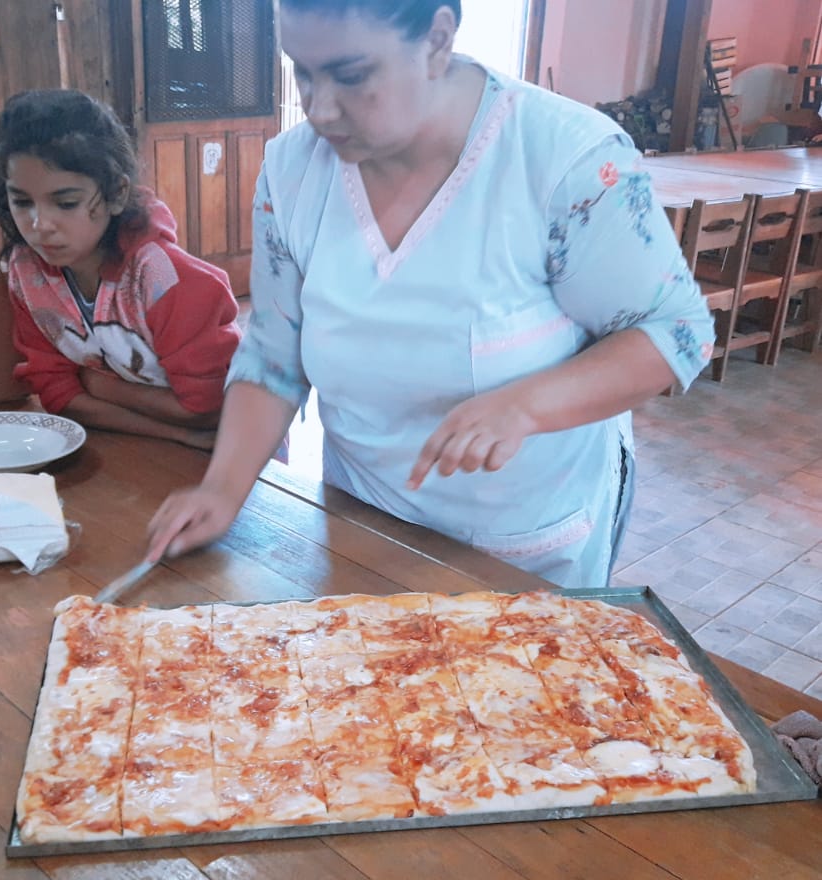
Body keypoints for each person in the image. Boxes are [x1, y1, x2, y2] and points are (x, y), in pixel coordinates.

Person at [147, 0, 715, 588]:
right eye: (302, 71)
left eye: (351, 74)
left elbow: (676, 333)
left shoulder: (563, 157)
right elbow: (273, 351)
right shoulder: (292, 171)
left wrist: (526, 405)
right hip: (366, 522)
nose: (319, 107)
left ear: (438, 38)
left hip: (520, 542)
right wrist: (223, 487)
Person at [0, 89, 242, 450]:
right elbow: (55, 393)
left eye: (66, 202)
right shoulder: (27, 272)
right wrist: (178, 433)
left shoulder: (166, 281)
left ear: (117, 194)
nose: (39, 224)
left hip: (235, 460)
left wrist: (96, 385)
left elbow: (207, 410)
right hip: (141, 447)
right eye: (21, 201)